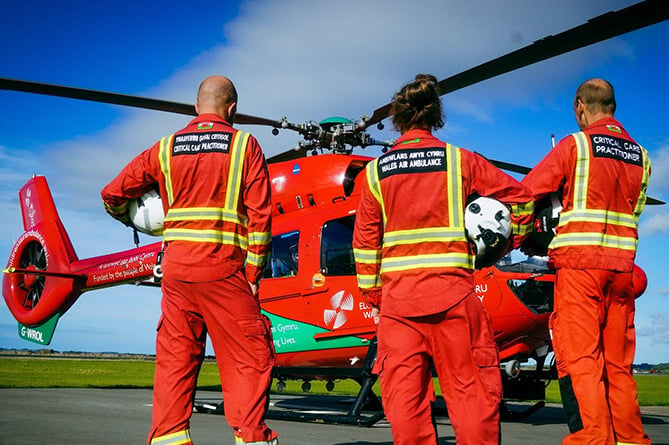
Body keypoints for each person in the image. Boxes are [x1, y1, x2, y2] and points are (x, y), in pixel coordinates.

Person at [353, 74, 534, 445]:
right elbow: (524, 200)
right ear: (436, 115)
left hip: (399, 308)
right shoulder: (461, 161)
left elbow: (364, 245)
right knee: (472, 398)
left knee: (405, 404)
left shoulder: (374, 173)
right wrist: (500, 245)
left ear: (398, 118)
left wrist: (377, 298)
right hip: (455, 299)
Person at [101, 75, 278, 445]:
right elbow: (261, 217)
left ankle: (169, 437)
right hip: (225, 270)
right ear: (232, 110)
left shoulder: (165, 148)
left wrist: (132, 219)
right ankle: (252, 438)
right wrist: (252, 272)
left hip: (177, 276)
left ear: (196, 107)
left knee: (175, 363)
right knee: (249, 359)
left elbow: (112, 194)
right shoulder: (245, 145)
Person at [521, 78, 651, 445]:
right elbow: (632, 213)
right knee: (618, 365)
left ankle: (592, 438)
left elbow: (526, 194)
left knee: (581, 359)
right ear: (612, 106)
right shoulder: (641, 156)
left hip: (581, 269)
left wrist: (520, 235)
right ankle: (629, 438)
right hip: (623, 271)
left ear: (580, 106)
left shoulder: (575, 146)